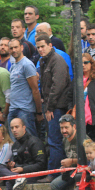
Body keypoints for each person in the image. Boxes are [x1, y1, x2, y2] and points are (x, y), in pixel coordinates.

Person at [0, 118, 47, 190]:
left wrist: (22, 169)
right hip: (19, 175)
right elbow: (17, 163)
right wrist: (12, 165)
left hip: (33, 174)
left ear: (24, 127)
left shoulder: (34, 141)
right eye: (12, 128)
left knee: (9, 181)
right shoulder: (15, 145)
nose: (14, 130)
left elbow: (41, 165)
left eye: (17, 127)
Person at [37, 33, 71, 171]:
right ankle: (54, 170)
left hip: (57, 107)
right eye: (38, 47)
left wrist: (49, 107)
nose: (40, 49)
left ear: (50, 45)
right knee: (51, 139)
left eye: (43, 46)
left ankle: (54, 172)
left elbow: (57, 86)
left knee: (54, 140)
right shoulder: (44, 60)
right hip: (50, 105)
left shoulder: (57, 60)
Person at [51, 114, 89, 190]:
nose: (64, 131)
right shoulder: (65, 140)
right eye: (62, 128)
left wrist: (72, 161)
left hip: (84, 171)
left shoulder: (82, 138)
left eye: (66, 127)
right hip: (72, 171)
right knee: (55, 185)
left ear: (74, 126)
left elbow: (91, 158)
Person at [6, 38, 42, 138]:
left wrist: (39, 112)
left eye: (16, 47)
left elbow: (35, 90)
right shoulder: (13, 66)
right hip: (13, 108)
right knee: (16, 144)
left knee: (29, 141)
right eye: (11, 48)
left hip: (25, 110)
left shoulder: (27, 64)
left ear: (21, 47)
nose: (13, 50)